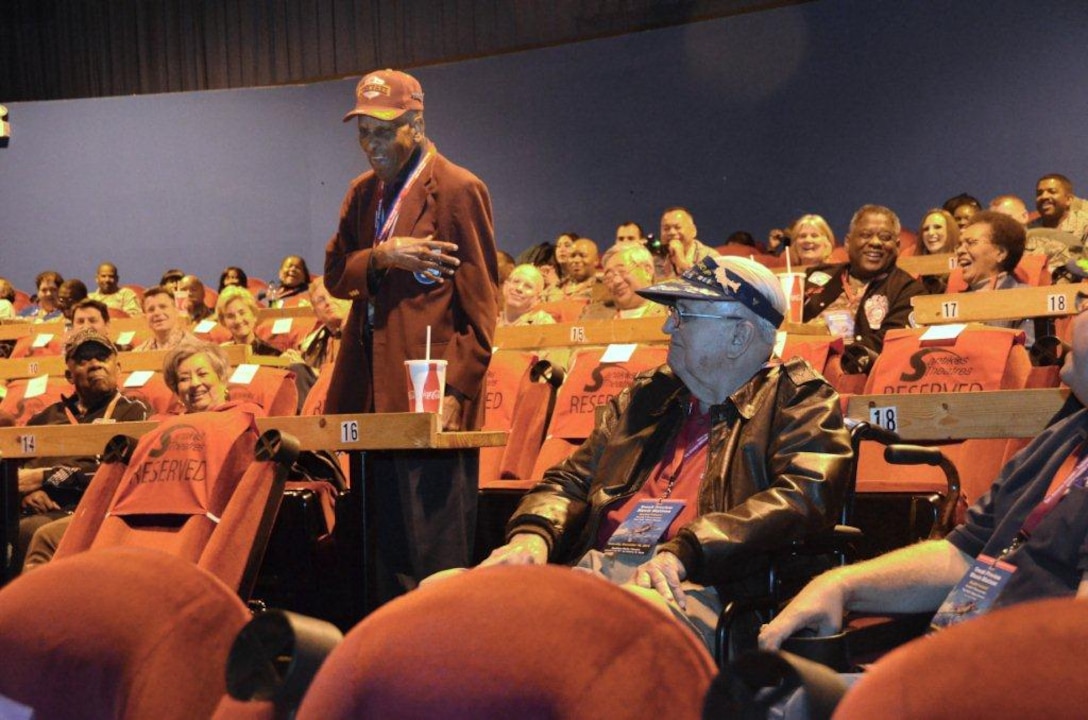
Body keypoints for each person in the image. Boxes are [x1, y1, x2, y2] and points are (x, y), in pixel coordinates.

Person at [479, 255, 852, 651]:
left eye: (684, 314)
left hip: (707, 588)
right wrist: (533, 537)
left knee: (602, 628)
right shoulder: (649, 395)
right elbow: (569, 480)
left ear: (740, 337)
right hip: (597, 572)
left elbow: (803, 497)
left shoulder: (798, 400)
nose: (666, 325)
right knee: (450, 596)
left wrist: (688, 550)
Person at [759, 297, 1088, 707]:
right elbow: (962, 555)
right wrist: (840, 584)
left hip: (1022, 685)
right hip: (961, 657)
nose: (1075, 316)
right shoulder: (1064, 436)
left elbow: (1076, 646)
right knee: (768, 697)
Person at [324, 68, 498, 600]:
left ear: (415, 125)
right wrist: (383, 255)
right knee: (381, 549)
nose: (370, 145)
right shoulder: (361, 194)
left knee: (432, 556)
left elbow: (482, 308)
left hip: (429, 396)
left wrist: (456, 393)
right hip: (372, 397)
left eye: (383, 130)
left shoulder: (458, 189)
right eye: (363, 132)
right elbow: (335, 276)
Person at [16, 328, 150, 573]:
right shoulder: (44, 417)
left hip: (90, 508)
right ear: (69, 375)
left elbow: (119, 472)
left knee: (30, 530)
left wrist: (46, 478)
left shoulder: (133, 412)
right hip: (31, 508)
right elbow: (14, 470)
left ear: (118, 368)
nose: (95, 364)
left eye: (102, 357)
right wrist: (22, 494)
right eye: (84, 359)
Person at [802, 204, 926, 354]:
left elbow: (891, 342)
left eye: (885, 237)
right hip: (799, 360)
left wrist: (830, 352)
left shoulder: (909, 290)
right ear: (848, 243)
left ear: (897, 246)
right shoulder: (815, 277)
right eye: (866, 235)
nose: (875, 242)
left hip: (857, 370)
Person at [953, 210, 1034, 345]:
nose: (960, 251)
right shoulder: (953, 302)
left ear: (1000, 253)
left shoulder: (1026, 298)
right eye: (959, 244)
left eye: (971, 242)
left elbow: (1027, 356)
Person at [580, 244, 666, 320]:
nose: (616, 281)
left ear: (647, 271)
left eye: (622, 271)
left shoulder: (671, 313)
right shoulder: (592, 316)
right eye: (609, 276)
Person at [297, 276, 350, 370]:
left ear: (349, 299)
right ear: (315, 312)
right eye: (320, 300)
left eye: (334, 295)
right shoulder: (312, 342)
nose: (328, 302)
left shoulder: (367, 329)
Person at [216, 285, 283, 356]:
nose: (238, 320)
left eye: (242, 313)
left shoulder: (274, 355)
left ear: (253, 314)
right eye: (230, 316)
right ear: (223, 322)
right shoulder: (222, 356)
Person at [1030, 173, 1088, 245]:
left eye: (1052, 191)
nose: (1044, 196)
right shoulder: (1029, 230)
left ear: (1068, 200)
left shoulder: (1084, 226)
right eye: (1039, 193)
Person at [658, 207, 714, 279]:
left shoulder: (709, 256)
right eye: (666, 228)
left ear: (693, 231)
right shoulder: (656, 257)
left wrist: (682, 262)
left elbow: (711, 284)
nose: (671, 232)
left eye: (677, 227)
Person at [133, 286, 196, 351]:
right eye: (151, 310)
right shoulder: (137, 353)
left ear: (176, 310)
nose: (157, 313)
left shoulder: (196, 349)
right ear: (145, 317)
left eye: (163, 307)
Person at [916, 208, 959, 294]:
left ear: (950, 231)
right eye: (926, 229)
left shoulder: (963, 265)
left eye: (937, 227)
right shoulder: (914, 271)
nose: (931, 233)